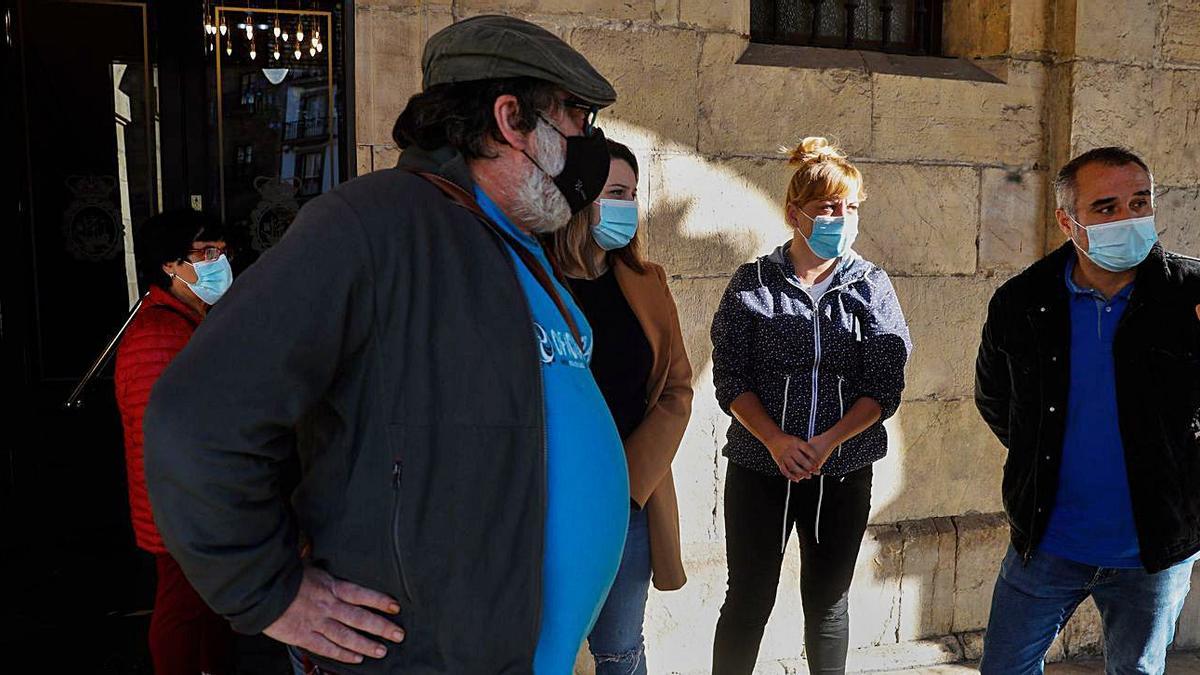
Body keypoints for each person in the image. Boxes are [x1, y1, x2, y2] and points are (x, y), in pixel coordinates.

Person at [143, 15, 630, 674]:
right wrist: (267, 591)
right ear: (511, 119)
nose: (588, 143)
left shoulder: (517, 248)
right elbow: (195, 414)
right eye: (575, 117)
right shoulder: (374, 225)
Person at [976, 146, 1200, 674]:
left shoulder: (1189, 295)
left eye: (1139, 202)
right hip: (1048, 541)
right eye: (1106, 207)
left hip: (1154, 547)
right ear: (1067, 220)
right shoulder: (1021, 302)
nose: (1128, 218)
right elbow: (996, 401)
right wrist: (1045, 454)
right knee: (1005, 667)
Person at [709, 137, 912, 675]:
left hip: (842, 469)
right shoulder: (753, 284)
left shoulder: (871, 285)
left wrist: (827, 442)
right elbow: (731, 379)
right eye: (828, 208)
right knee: (748, 598)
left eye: (849, 208)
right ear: (796, 213)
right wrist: (776, 440)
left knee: (828, 602)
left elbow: (884, 383)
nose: (840, 218)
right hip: (760, 467)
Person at [547, 139, 693, 675]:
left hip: (628, 504)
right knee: (548, 646)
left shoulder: (646, 283)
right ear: (580, 198)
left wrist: (628, 485)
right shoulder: (536, 280)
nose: (626, 206)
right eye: (614, 192)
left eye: (632, 194)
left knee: (620, 648)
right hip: (551, 500)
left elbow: (677, 388)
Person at [114, 208, 235, 675]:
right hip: (181, 506)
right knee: (182, 610)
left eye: (222, 252)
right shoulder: (158, 334)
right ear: (170, 265)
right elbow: (164, 438)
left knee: (209, 608)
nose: (218, 262)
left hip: (196, 501)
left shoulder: (191, 321)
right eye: (205, 253)